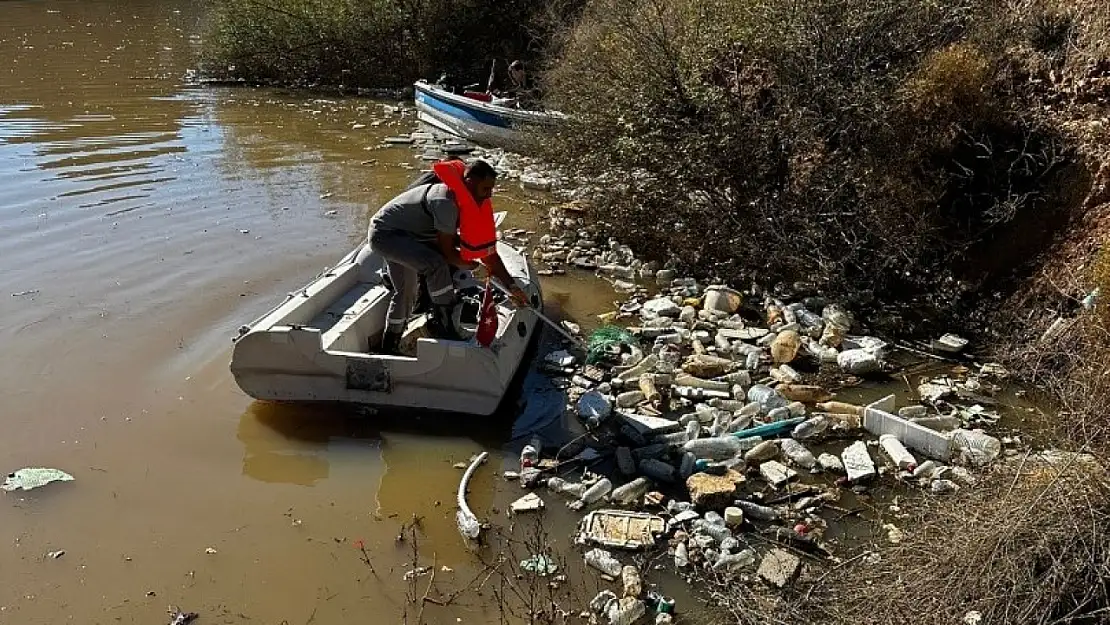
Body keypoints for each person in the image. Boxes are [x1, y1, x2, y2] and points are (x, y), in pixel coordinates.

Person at [366, 158, 528, 355]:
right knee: (436, 265)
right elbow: (448, 254)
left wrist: (511, 286)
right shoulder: (445, 202)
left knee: (406, 292)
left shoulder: (469, 202)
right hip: (386, 235)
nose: (489, 195)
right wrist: (474, 269)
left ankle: (389, 347)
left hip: (410, 236)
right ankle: (443, 325)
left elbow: (488, 254)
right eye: (486, 189)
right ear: (469, 183)